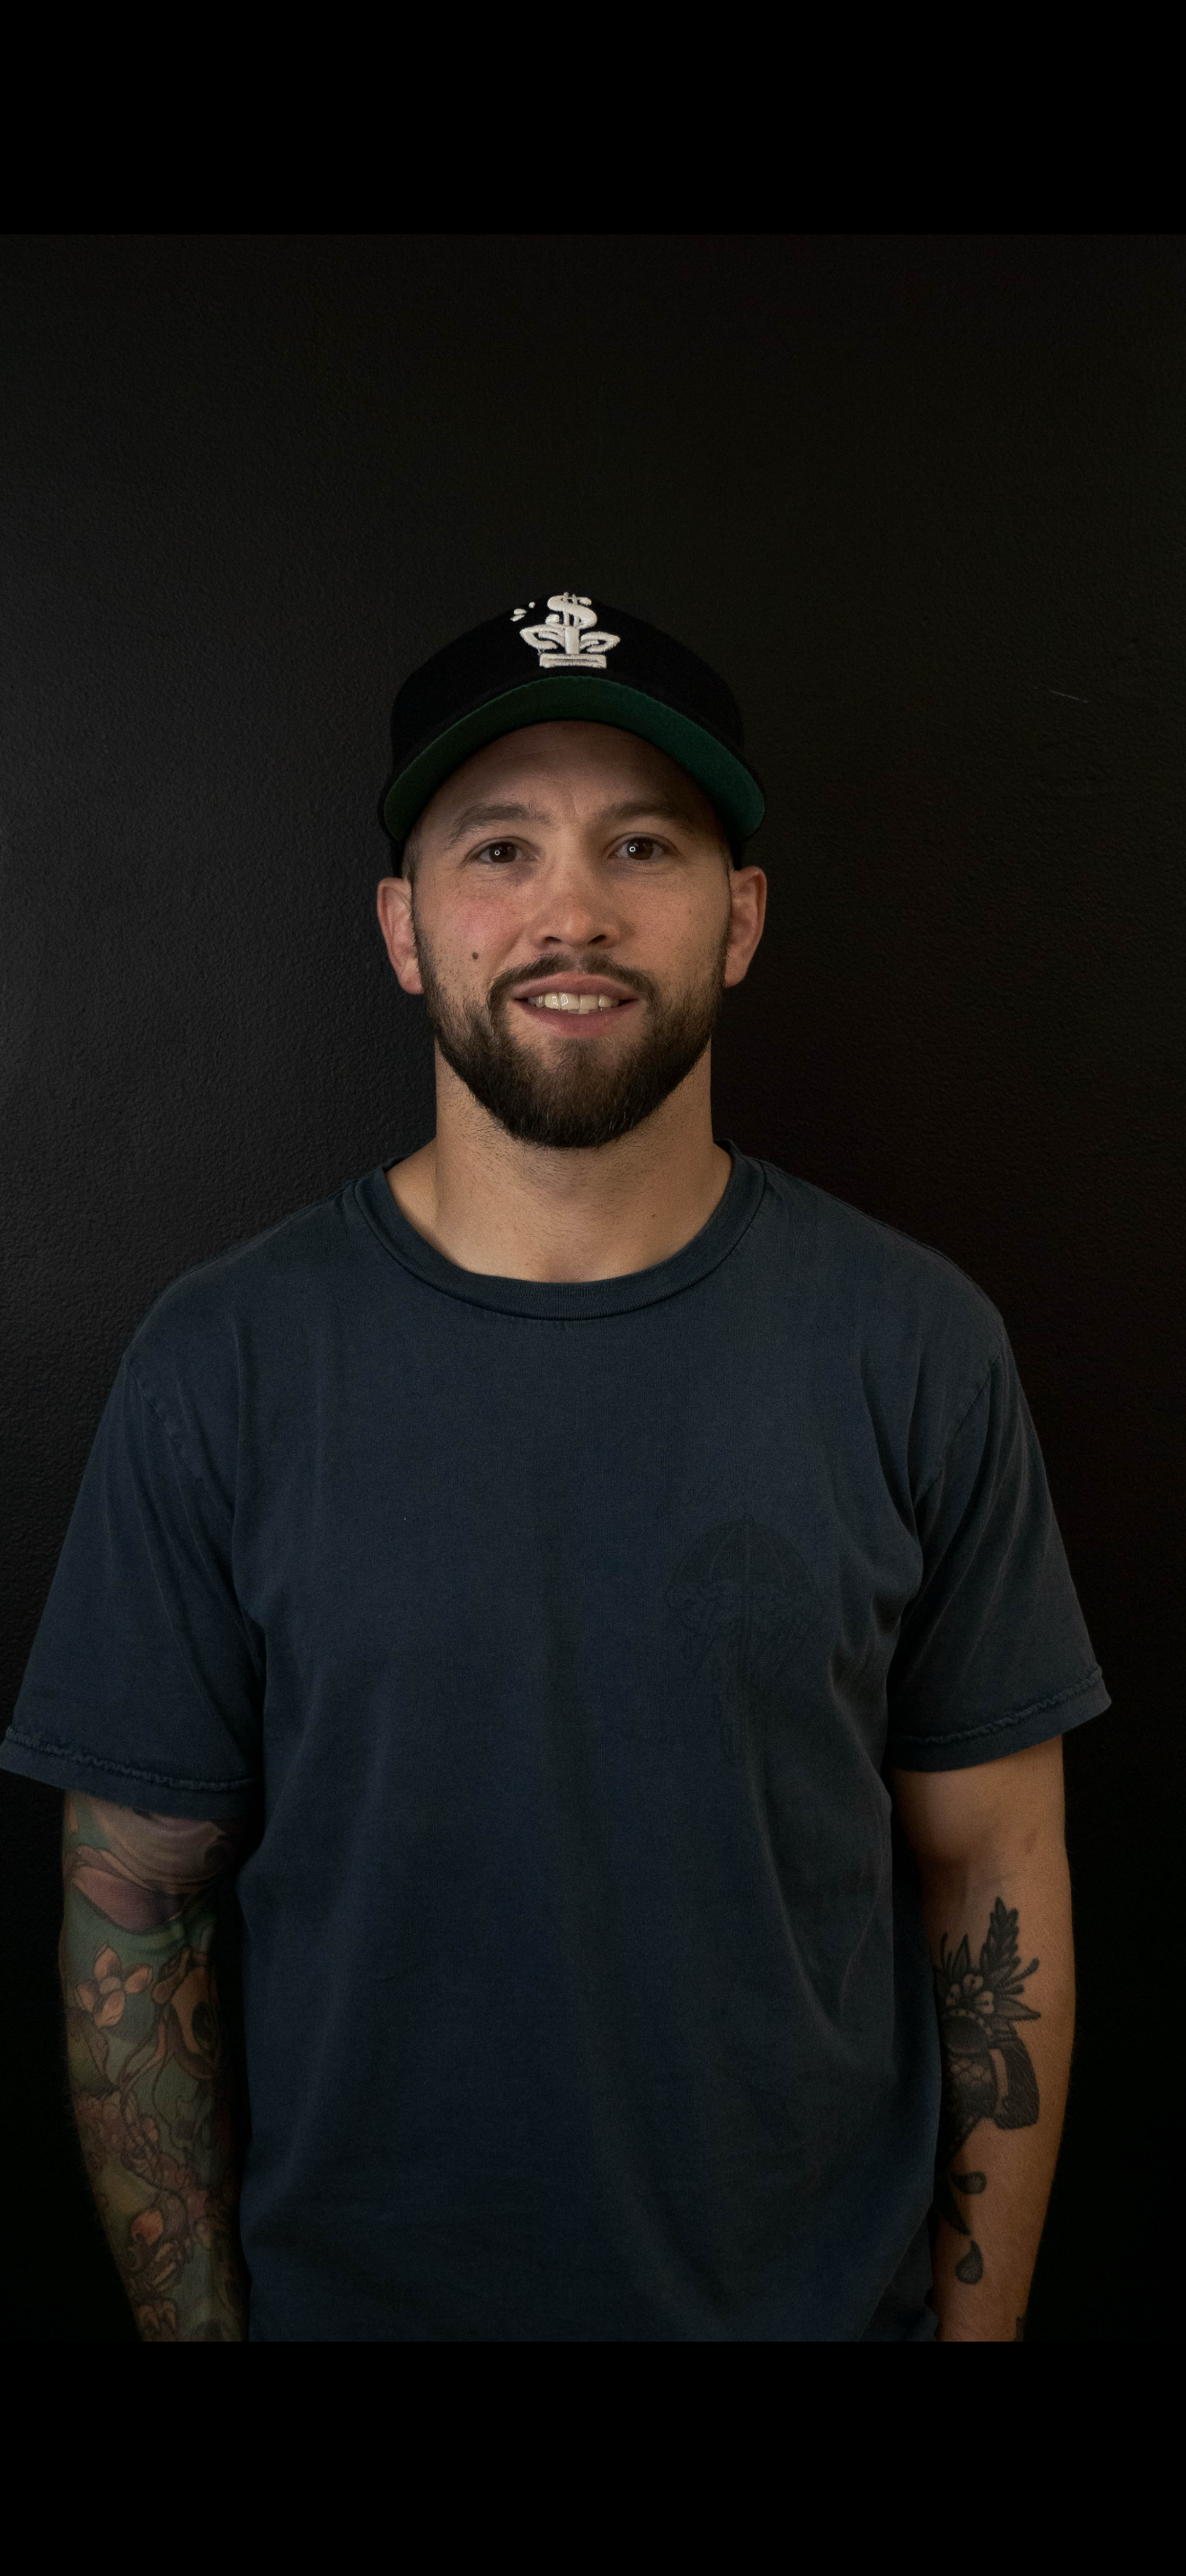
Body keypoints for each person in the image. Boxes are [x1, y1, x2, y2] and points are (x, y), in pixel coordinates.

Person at [1, 591, 1110, 2342]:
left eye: (642, 846)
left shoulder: (914, 1345)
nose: (570, 913)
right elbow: (133, 1903)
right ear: (403, 927)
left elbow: (996, 1883)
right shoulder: (224, 1363)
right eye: (499, 848)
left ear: (741, 918)